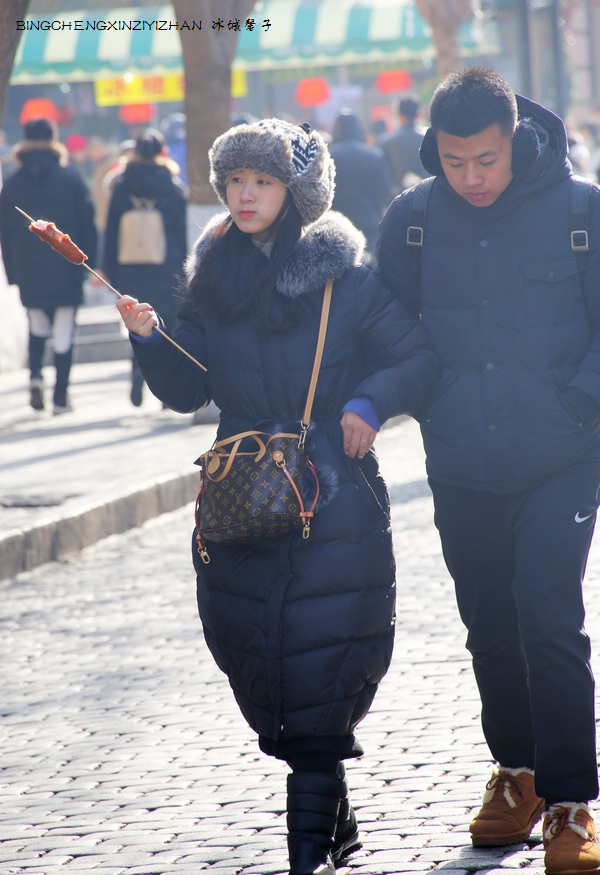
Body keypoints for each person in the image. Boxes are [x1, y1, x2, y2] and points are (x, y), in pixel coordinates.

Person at [115, 117, 439, 875]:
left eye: (262, 181)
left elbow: (416, 356)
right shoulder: (212, 278)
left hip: (333, 491)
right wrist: (150, 338)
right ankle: (331, 806)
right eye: (235, 182)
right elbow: (187, 387)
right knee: (258, 652)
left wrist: (366, 404)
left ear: (296, 191)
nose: (246, 195)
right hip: (238, 497)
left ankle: (306, 849)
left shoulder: (346, 277)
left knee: (326, 655)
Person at [376, 66, 600, 875]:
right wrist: (409, 396)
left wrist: (579, 403)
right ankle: (518, 771)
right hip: (463, 459)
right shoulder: (411, 220)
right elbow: (386, 325)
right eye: (454, 159)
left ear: (517, 140)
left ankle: (573, 802)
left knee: (548, 619)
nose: (470, 176)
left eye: (486, 160)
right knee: (490, 628)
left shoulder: (581, 211)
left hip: (562, 458)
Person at [0, 117, 97, 414]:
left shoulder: (12, 183)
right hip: (65, 268)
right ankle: (60, 397)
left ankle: (36, 377)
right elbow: (87, 224)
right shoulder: (70, 179)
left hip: (28, 269)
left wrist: (12, 273)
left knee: (38, 325)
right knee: (64, 330)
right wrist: (88, 261)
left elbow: (4, 231)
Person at [102, 127, 187, 406]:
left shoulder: (122, 183)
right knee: (167, 326)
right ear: (163, 152)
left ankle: (137, 380)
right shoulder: (172, 184)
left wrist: (109, 269)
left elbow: (112, 230)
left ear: (135, 152)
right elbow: (180, 231)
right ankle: (166, 392)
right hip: (167, 266)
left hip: (131, 267)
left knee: (136, 322)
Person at [328, 109, 394, 253]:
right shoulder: (375, 156)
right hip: (369, 227)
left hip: (336, 229)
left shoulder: (329, 157)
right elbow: (386, 192)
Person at [378, 93, 427, 193]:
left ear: (399, 115)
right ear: (418, 114)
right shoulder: (430, 138)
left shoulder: (386, 142)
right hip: (427, 196)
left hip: (396, 198)